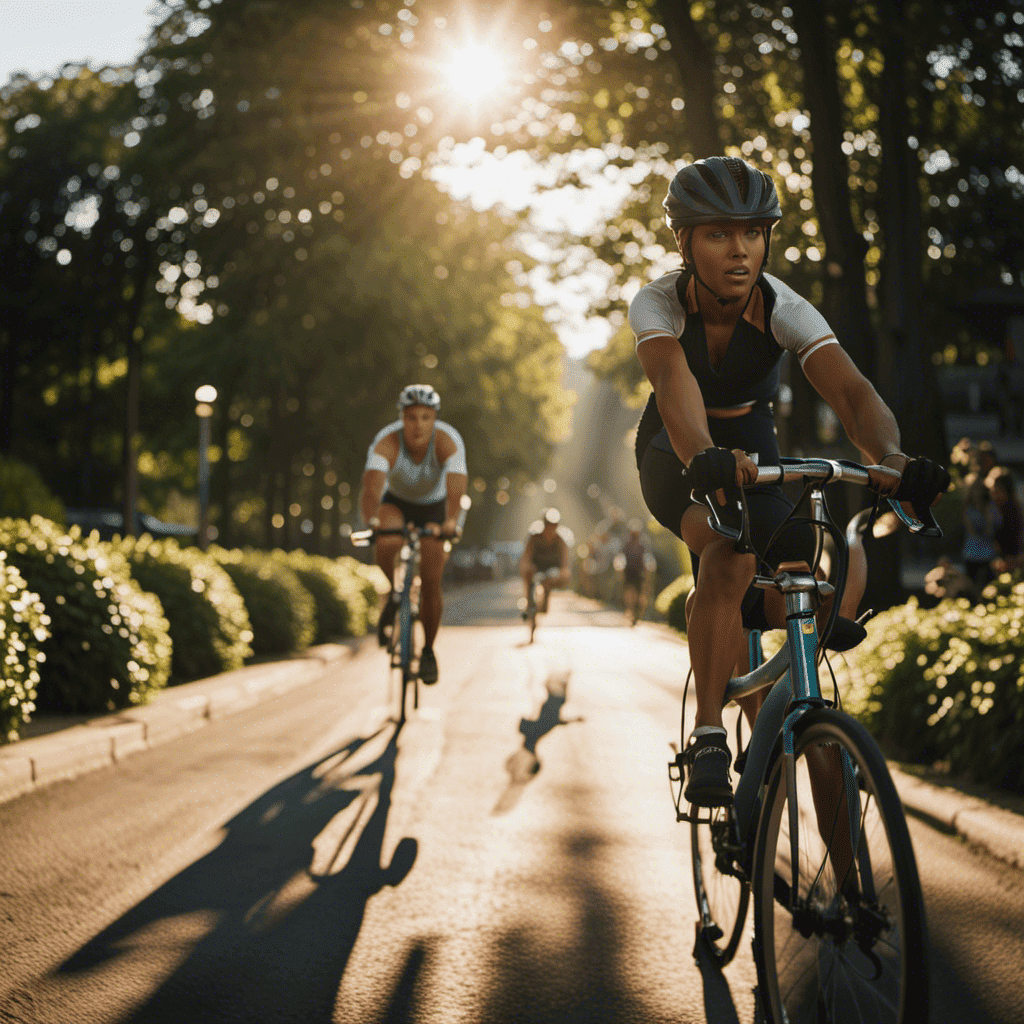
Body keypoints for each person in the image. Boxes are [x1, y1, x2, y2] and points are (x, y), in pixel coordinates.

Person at [628, 155, 950, 806]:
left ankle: (848, 890)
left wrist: (889, 457)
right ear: (685, 242)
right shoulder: (658, 302)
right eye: (718, 233)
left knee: (805, 583)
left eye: (752, 232)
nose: (739, 250)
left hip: (756, 445)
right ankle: (712, 733)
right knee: (728, 553)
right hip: (677, 450)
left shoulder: (783, 306)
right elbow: (673, 384)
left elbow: (852, 392)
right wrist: (706, 460)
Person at [359, 384, 468, 685]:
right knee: (387, 538)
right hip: (397, 503)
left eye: (425, 417)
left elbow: (457, 491)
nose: (418, 425)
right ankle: (394, 594)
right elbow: (371, 489)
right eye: (410, 418)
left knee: (432, 580)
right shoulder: (386, 443)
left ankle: (429, 651)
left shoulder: (448, 441)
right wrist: (371, 520)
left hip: (436, 508)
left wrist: (449, 522)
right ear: (401, 418)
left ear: (434, 419)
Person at [519, 508, 571, 617]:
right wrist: (527, 567)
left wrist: (563, 572)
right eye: (548, 525)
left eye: (553, 526)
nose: (550, 529)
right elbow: (526, 557)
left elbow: (564, 562)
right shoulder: (534, 538)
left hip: (552, 570)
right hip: (536, 567)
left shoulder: (560, 541)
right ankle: (529, 604)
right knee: (529, 574)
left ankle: (544, 603)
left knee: (550, 578)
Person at [960, 471, 1000, 590]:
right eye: (974, 489)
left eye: (979, 489)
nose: (977, 493)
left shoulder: (990, 507)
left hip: (988, 554)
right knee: (972, 587)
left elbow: (990, 531)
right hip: (971, 553)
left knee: (989, 587)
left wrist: (988, 518)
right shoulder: (968, 509)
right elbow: (971, 531)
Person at [989, 469, 1023, 573]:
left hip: (1013, 565)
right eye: (994, 489)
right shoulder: (996, 511)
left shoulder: (1013, 513)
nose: (995, 493)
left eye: (998, 490)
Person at [621, 520, 650, 625]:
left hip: (638, 572)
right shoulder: (626, 545)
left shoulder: (642, 545)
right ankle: (631, 610)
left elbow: (646, 559)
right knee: (629, 591)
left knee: (638, 593)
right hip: (629, 571)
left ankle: (637, 612)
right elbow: (622, 558)